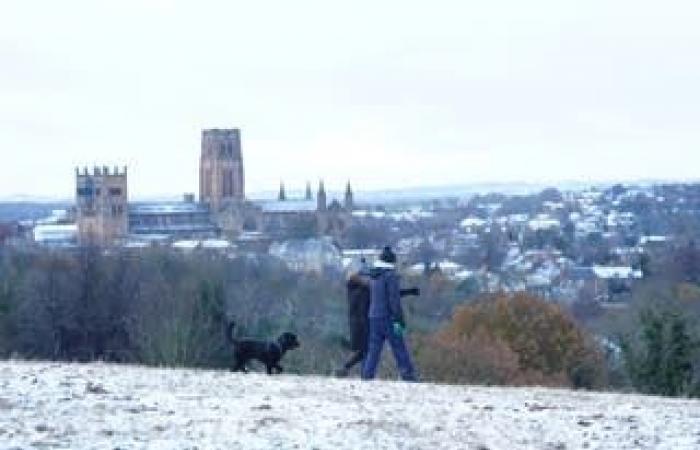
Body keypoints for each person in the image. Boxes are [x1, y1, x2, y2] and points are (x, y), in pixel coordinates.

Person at [336, 257, 420, 378]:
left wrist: (408, 292)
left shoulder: (355, 287)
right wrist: (408, 294)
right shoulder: (370, 285)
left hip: (365, 320)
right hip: (371, 320)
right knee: (377, 349)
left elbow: (383, 293)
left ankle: (362, 374)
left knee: (369, 351)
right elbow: (389, 295)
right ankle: (351, 369)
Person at [361, 246, 417, 381]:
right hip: (389, 318)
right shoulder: (390, 276)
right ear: (392, 262)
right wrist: (399, 319)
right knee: (399, 347)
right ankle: (408, 375)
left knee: (374, 349)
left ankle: (367, 375)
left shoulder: (374, 275)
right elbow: (393, 299)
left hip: (374, 316)